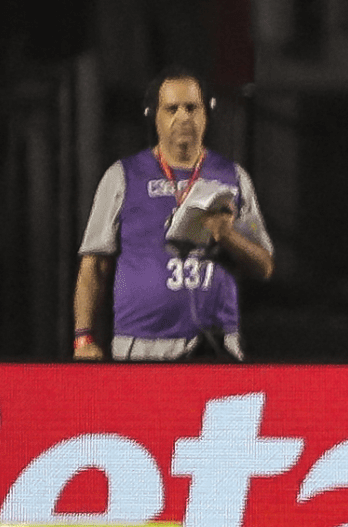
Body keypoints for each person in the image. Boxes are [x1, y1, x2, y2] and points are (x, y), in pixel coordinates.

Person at [73, 67, 274, 361]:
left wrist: (227, 235)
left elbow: (264, 266)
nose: (183, 117)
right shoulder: (122, 176)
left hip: (215, 347)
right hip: (140, 346)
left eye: (192, 107)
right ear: (154, 116)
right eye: (172, 109)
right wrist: (83, 339)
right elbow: (94, 266)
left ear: (207, 113)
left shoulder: (233, 177)